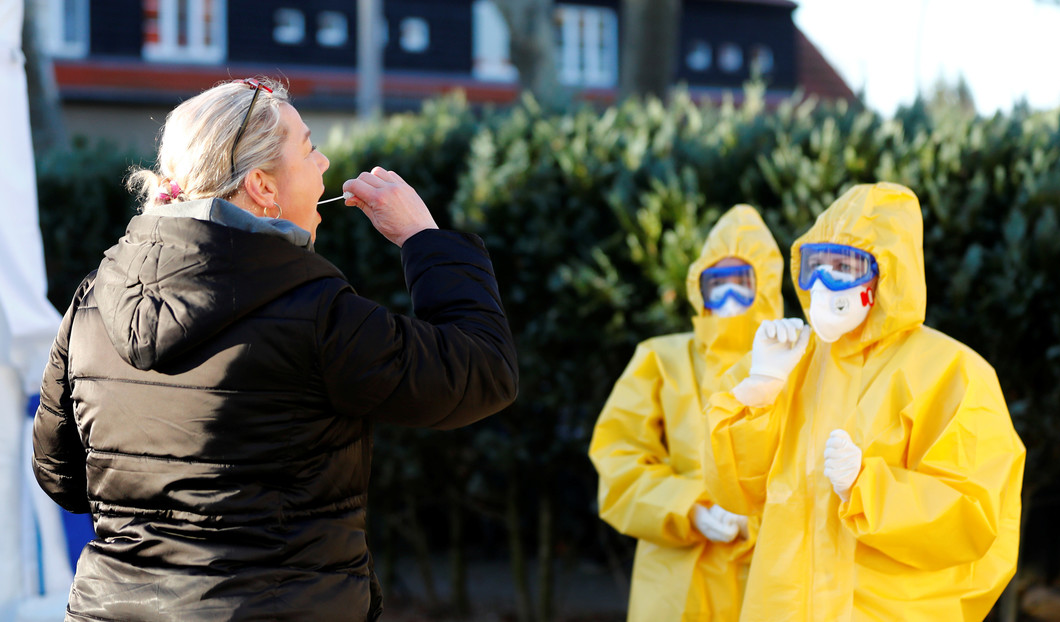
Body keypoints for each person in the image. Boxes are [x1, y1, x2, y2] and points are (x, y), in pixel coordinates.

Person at [31, 77, 519, 622]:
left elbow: (60, 475)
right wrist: (423, 238)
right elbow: (482, 373)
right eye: (308, 149)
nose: (325, 162)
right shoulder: (312, 309)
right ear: (263, 186)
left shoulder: (93, 297)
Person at [704, 182, 1024, 621]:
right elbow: (733, 489)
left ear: (885, 274)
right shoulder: (787, 359)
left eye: (844, 266)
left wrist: (866, 487)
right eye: (816, 265)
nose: (824, 282)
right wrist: (758, 389)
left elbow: (972, 516)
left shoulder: (953, 372)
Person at [589, 204, 784, 620]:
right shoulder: (660, 360)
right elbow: (617, 459)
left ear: (766, 285)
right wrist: (689, 506)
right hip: (676, 582)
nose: (728, 297)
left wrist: (760, 520)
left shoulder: (797, 363)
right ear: (699, 289)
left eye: (741, 283)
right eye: (717, 284)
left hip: (770, 576)